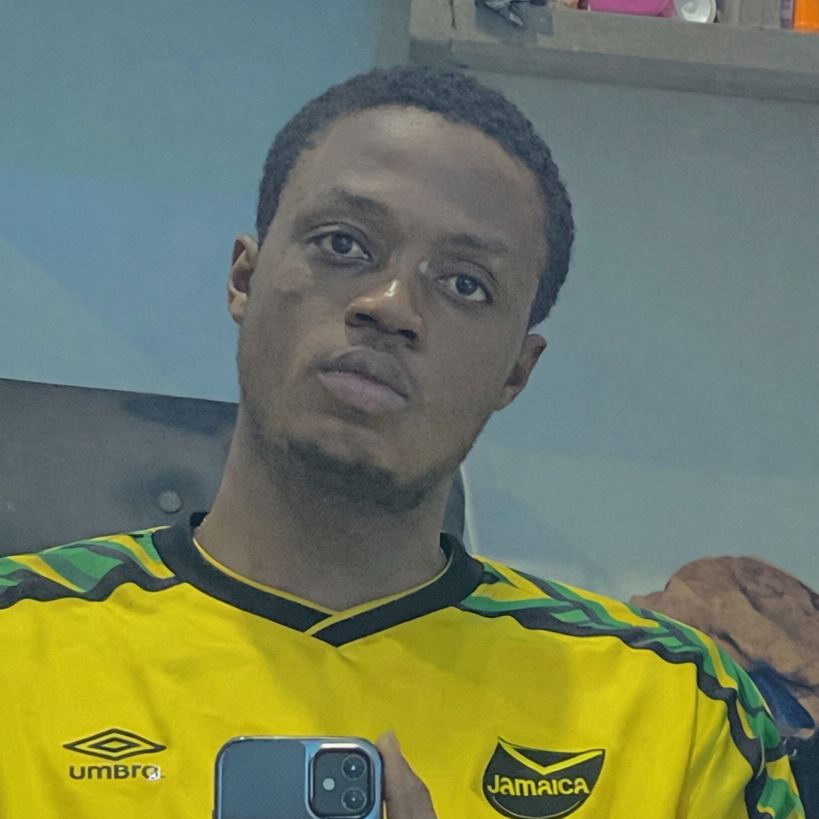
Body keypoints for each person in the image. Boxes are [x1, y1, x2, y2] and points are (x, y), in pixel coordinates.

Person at [0, 67, 803, 819]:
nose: (390, 305)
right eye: (342, 243)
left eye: (464, 284)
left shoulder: (677, 706)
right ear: (244, 278)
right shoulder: (16, 647)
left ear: (515, 372)